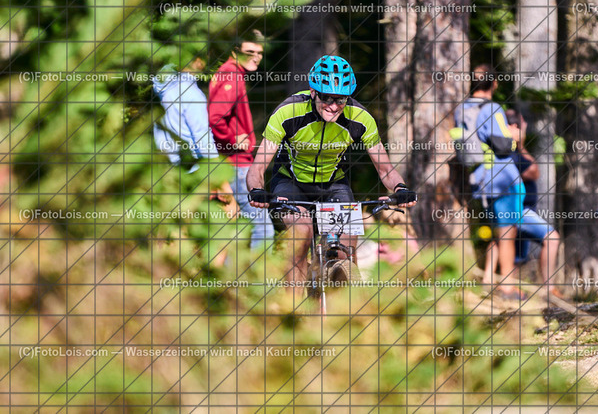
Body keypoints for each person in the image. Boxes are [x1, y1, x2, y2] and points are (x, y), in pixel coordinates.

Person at [245, 55, 417, 296]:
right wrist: (257, 191)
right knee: (301, 235)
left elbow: (385, 169)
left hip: (334, 185)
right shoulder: (288, 112)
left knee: (346, 249)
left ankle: (345, 309)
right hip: (291, 183)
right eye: (326, 97)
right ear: (313, 92)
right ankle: (293, 309)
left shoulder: (360, 118)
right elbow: (257, 168)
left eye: (341, 99)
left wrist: (400, 188)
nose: (334, 106)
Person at [456, 65, 525, 300]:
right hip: (503, 177)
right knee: (507, 233)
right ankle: (507, 287)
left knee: (498, 231)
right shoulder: (492, 108)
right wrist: (515, 136)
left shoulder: (462, 109)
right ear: (494, 83)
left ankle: (488, 280)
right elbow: (503, 145)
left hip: (480, 178)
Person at [484, 109, 562, 298]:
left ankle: (497, 287)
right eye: (521, 127)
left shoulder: (510, 151)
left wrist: (521, 145)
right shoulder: (506, 152)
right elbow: (533, 171)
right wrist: (520, 144)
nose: (523, 131)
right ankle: (548, 289)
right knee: (551, 238)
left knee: (508, 247)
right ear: (512, 127)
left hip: (518, 207)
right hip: (518, 208)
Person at [208, 31, 274, 251]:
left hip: (231, 164)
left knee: (233, 231)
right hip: (235, 164)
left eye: (259, 53)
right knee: (262, 229)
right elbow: (215, 118)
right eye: (250, 51)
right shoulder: (231, 75)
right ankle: (259, 273)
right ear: (235, 51)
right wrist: (231, 139)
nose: (256, 57)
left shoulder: (231, 73)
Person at [153, 57, 218, 171]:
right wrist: (216, 170)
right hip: (189, 168)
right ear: (198, 61)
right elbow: (202, 135)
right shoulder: (192, 94)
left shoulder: (163, 88)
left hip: (165, 165)